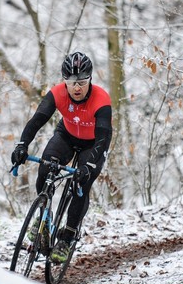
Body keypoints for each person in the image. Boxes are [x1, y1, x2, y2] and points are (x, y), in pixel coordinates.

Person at [11, 52, 113, 263]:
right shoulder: (57, 93)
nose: (77, 88)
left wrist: (90, 165)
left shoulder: (101, 99)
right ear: (64, 81)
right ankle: (43, 217)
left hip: (93, 144)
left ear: (90, 79)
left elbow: (104, 137)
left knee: (81, 185)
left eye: (82, 82)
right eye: (72, 82)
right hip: (66, 135)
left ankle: (67, 236)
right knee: (46, 167)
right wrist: (22, 144)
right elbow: (36, 121)